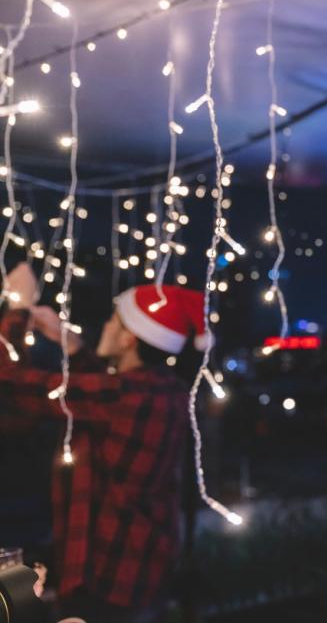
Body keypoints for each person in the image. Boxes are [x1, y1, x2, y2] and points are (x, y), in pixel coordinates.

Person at [0, 263, 207, 623]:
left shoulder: (124, 395)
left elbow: (10, 381)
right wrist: (76, 348)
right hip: (141, 567)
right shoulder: (164, 389)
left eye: (115, 321)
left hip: (107, 575)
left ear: (128, 339)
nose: (106, 326)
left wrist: (17, 308)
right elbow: (103, 399)